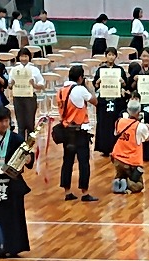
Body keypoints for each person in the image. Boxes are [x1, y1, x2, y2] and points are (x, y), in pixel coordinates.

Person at [0, 106, 31, 259]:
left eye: (6, 121)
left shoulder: (16, 138)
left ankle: (15, 246)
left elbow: (26, 156)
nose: (4, 124)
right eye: (1, 121)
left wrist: (29, 159)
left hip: (13, 182)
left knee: (15, 215)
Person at [57, 64, 97, 202]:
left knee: (67, 161)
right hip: (80, 130)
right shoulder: (80, 89)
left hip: (66, 129)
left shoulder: (61, 90)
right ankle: (85, 192)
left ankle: (67, 192)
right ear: (80, 77)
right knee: (83, 162)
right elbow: (95, 101)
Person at [8, 49, 43, 136]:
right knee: (20, 124)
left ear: (29, 57)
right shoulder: (14, 70)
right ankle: (21, 147)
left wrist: (34, 85)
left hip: (30, 97)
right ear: (19, 57)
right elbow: (9, 86)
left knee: (30, 124)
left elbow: (42, 85)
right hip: (18, 97)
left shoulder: (34, 70)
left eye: (26, 56)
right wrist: (11, 84)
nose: (24, 58)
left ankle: (30, 147)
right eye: (22, 56)